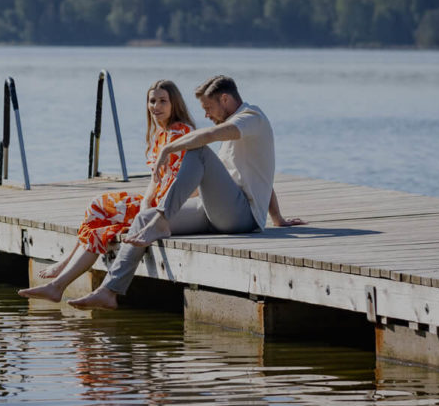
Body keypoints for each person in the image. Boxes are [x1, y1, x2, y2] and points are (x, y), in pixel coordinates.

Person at [68, 74, 305, 310]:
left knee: (198, 150)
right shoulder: (239, 129)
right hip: (217, 211)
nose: (205, 115)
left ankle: (163, 218)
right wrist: (277, 218)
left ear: (225, 99)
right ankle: (109, 291)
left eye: (208, 107)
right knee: (144, 217)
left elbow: (209, 136)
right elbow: (262, 174)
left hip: (241, 216)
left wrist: (168, 149)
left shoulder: (252, 118)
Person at [19, 80, 196, 302]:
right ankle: (61, 275)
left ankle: (58, 282)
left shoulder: (181, 133)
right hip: (153, 201)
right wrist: (144, 203)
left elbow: (188, 183)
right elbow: (155, 179)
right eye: (152, 101)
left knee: (100, 223)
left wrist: (150, 210)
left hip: (168, 207)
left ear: (175, 104)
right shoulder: (161, 133)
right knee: (99, 205)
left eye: (163, 101)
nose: (156, 106)